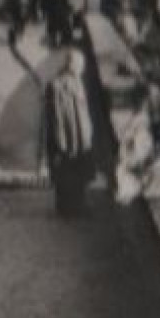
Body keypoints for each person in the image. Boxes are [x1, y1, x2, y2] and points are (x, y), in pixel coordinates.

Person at [44, 48, 95, 215]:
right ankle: (65, 206)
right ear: (71, 64)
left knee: (78, 170)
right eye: (79, 65)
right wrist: (61, 141)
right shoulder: (57, 85)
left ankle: (78, 204)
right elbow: (56, 117)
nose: (81, 68)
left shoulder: (78, 83)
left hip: (80, 136)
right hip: (66, 136)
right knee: (65, 171)